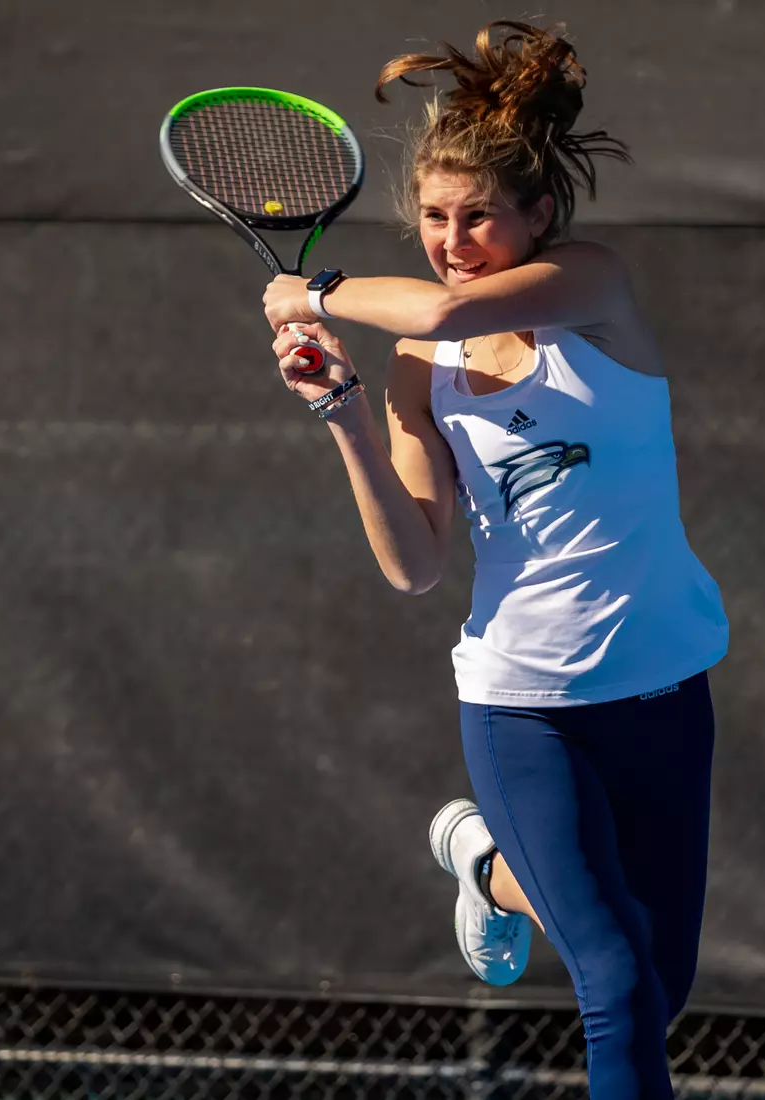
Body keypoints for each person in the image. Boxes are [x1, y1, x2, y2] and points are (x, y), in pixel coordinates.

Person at [260, 21, 729, 1100]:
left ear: (540, 218)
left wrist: (312, 290)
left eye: (477, 216)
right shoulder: (420, 365)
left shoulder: (591, 289)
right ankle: (495, 846)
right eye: (433, 215)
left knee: (663, 987)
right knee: (611, 981)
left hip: (661, 692)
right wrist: (340, 412)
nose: (451, 238)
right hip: (524, 704)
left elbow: (442, 303)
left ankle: (484, 862)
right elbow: (417, 562)